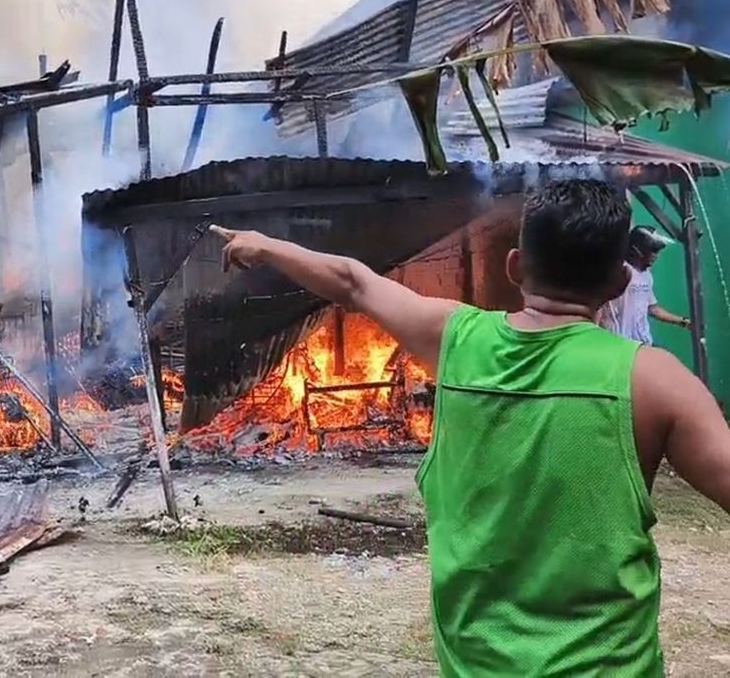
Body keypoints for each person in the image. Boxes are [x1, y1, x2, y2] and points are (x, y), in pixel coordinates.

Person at [210, 179, 730, 677]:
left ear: (514, 266)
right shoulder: (657, 381)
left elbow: (352, 281)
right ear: (621, 282)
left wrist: (264, 246)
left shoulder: (456, 340)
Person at [599, 224, 690, 344]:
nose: (656, 255)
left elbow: (653, 309)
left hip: (643, 343)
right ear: (637, 250)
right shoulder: (619, 271)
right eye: (653, 250)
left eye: (657, 251)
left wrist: (683, 322)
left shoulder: (646, 276)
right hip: (619, 344)